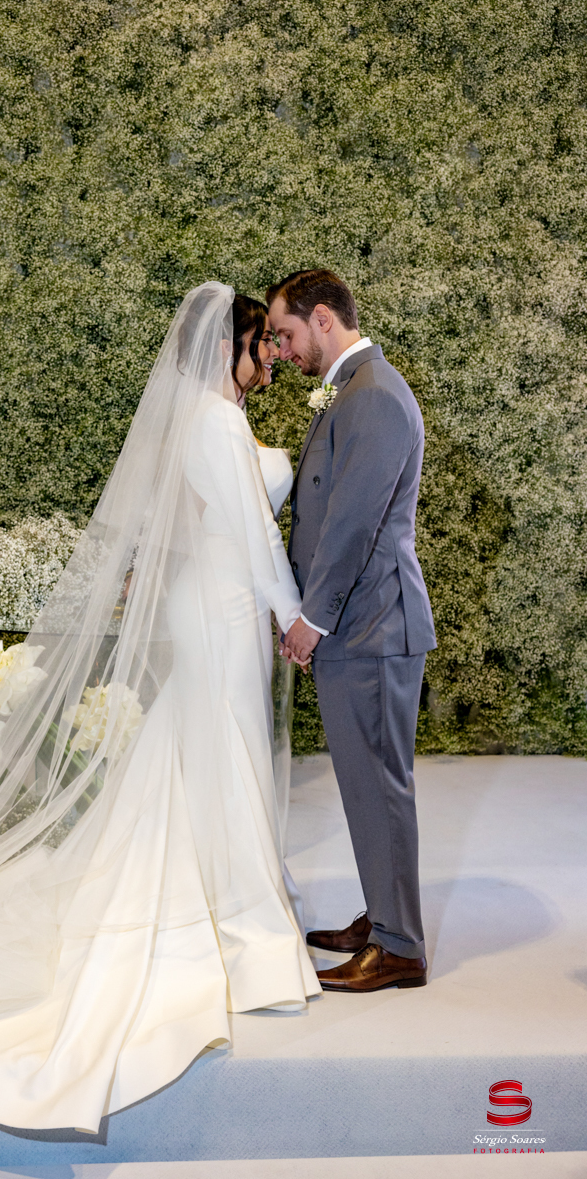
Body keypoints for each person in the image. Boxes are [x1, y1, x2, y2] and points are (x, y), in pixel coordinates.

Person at [0, 283, 319, 1132]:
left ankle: (227, 887)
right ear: (227, 346)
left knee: (206, 746)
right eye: (260, 341)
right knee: (222, 744)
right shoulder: (216, 423)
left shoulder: (203, 418)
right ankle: (234, 910)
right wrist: (293, 613)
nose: (268, 356)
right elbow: (257, 535)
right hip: (222, 610)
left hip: (214, 601)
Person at [270, 268, 437, 994]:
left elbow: (352, 524)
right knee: (368, 784)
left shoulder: (371, 395)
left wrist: (312, 618)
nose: (281, 349)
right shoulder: (358, 388)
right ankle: (384, 917)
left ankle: (399, 947)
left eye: (286, 333)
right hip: (362, 623)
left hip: (370, 624)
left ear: (323, 318)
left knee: (378, 785)